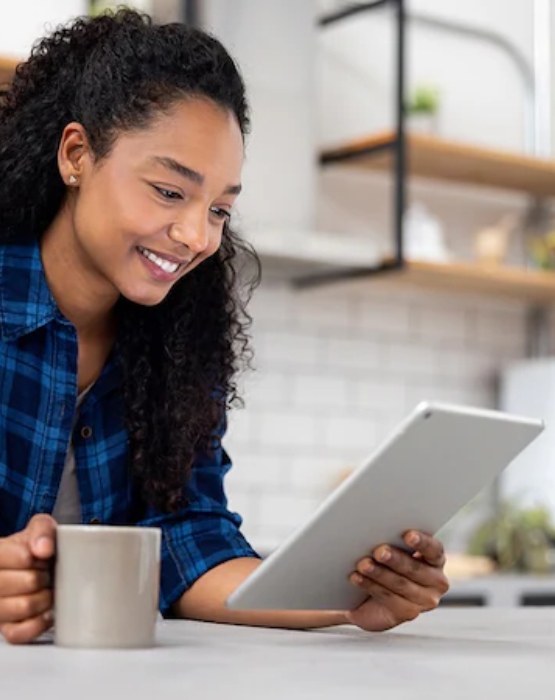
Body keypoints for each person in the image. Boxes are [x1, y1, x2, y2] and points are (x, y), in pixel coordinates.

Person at [0, 9, 449, 645]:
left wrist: (346, 602)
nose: (195, 236)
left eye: (218, 208)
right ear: (77, 155)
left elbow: (189, 547)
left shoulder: (178, 345)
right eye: (167, 191)